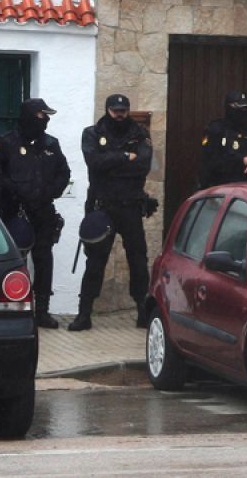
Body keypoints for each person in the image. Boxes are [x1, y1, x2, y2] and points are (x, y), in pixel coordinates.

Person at [71, 94, 156, 331]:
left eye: (123, 110)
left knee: (138, 260)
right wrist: (122, 157)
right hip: (103, 207)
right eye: (116, 110)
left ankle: (142, 310)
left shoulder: (139, 133)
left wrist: (111, 165)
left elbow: (143, 166)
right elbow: (94, 164)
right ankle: (84, 313)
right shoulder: (93, 133)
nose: (120, 114)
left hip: (130, 207)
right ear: (108, 110)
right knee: (95, 261)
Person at [0, 99, 72, 329]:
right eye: (41, 115)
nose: (46, 119)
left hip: (42, 210)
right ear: (30, 115)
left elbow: (63, 172)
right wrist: (16, 191)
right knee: (12, 261)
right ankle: (12, 309)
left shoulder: (51, 144)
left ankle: (42, 311)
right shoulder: (7, 143)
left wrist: (50, 192)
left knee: (43, 259)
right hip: (14, 210)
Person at [199, 91, 247, 188]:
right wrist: (242, 161)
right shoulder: (216, 130)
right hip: (219, 188)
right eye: (238, 108)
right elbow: (211, 162)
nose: (242, 111)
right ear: (229, 107)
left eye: (245, 108)